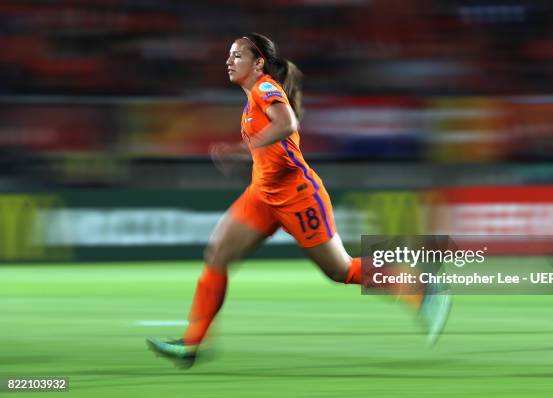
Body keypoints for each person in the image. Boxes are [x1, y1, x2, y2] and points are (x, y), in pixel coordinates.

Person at [147, 33, 450, 368]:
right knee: (217, 254)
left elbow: (287, 122)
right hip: (262, 195)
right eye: (228, 56)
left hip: (298, 197)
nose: (229, 61)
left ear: (258, 62)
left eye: (236, 56)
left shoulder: (264, 89)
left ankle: (419, 287)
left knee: (340, 270)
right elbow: (276, 145)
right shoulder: (253, 97)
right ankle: (192, 345)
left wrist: (237, 150)